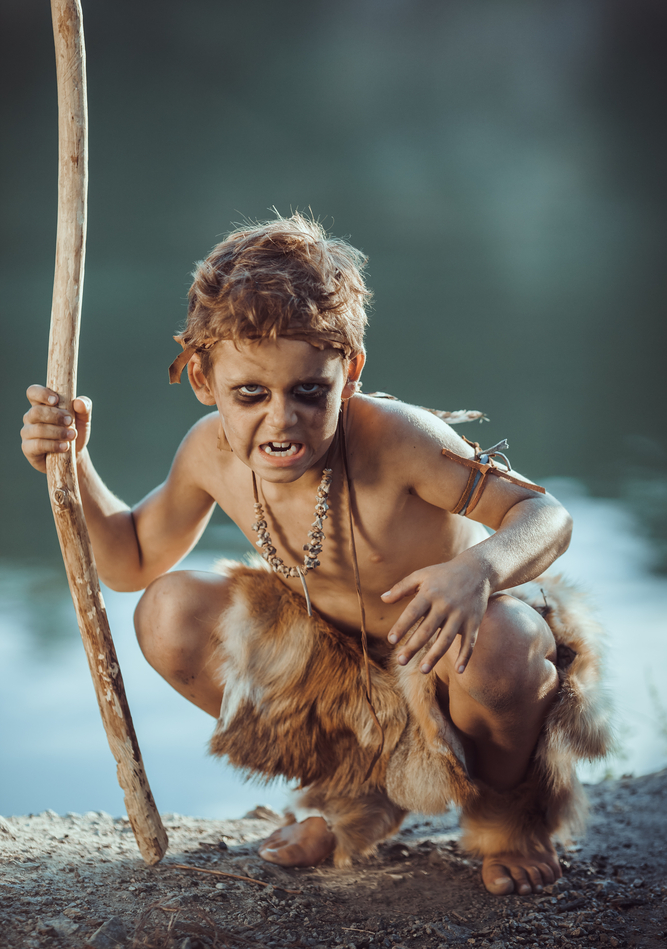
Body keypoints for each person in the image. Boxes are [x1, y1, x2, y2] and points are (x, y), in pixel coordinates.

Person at [20, 213, 610, 896]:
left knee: (502, 639)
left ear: (349, 372)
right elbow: (130, 563)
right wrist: (73, 463)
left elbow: (544, 513)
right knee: (168, 611)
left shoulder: (400, 440)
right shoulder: (208, 452)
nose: (281, 420)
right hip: (339, 676)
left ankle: (508, 815)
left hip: (453, 657)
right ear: (203, 378)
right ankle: (348, 795)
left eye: (308, 391)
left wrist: (477, 570)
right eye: (250, 395)